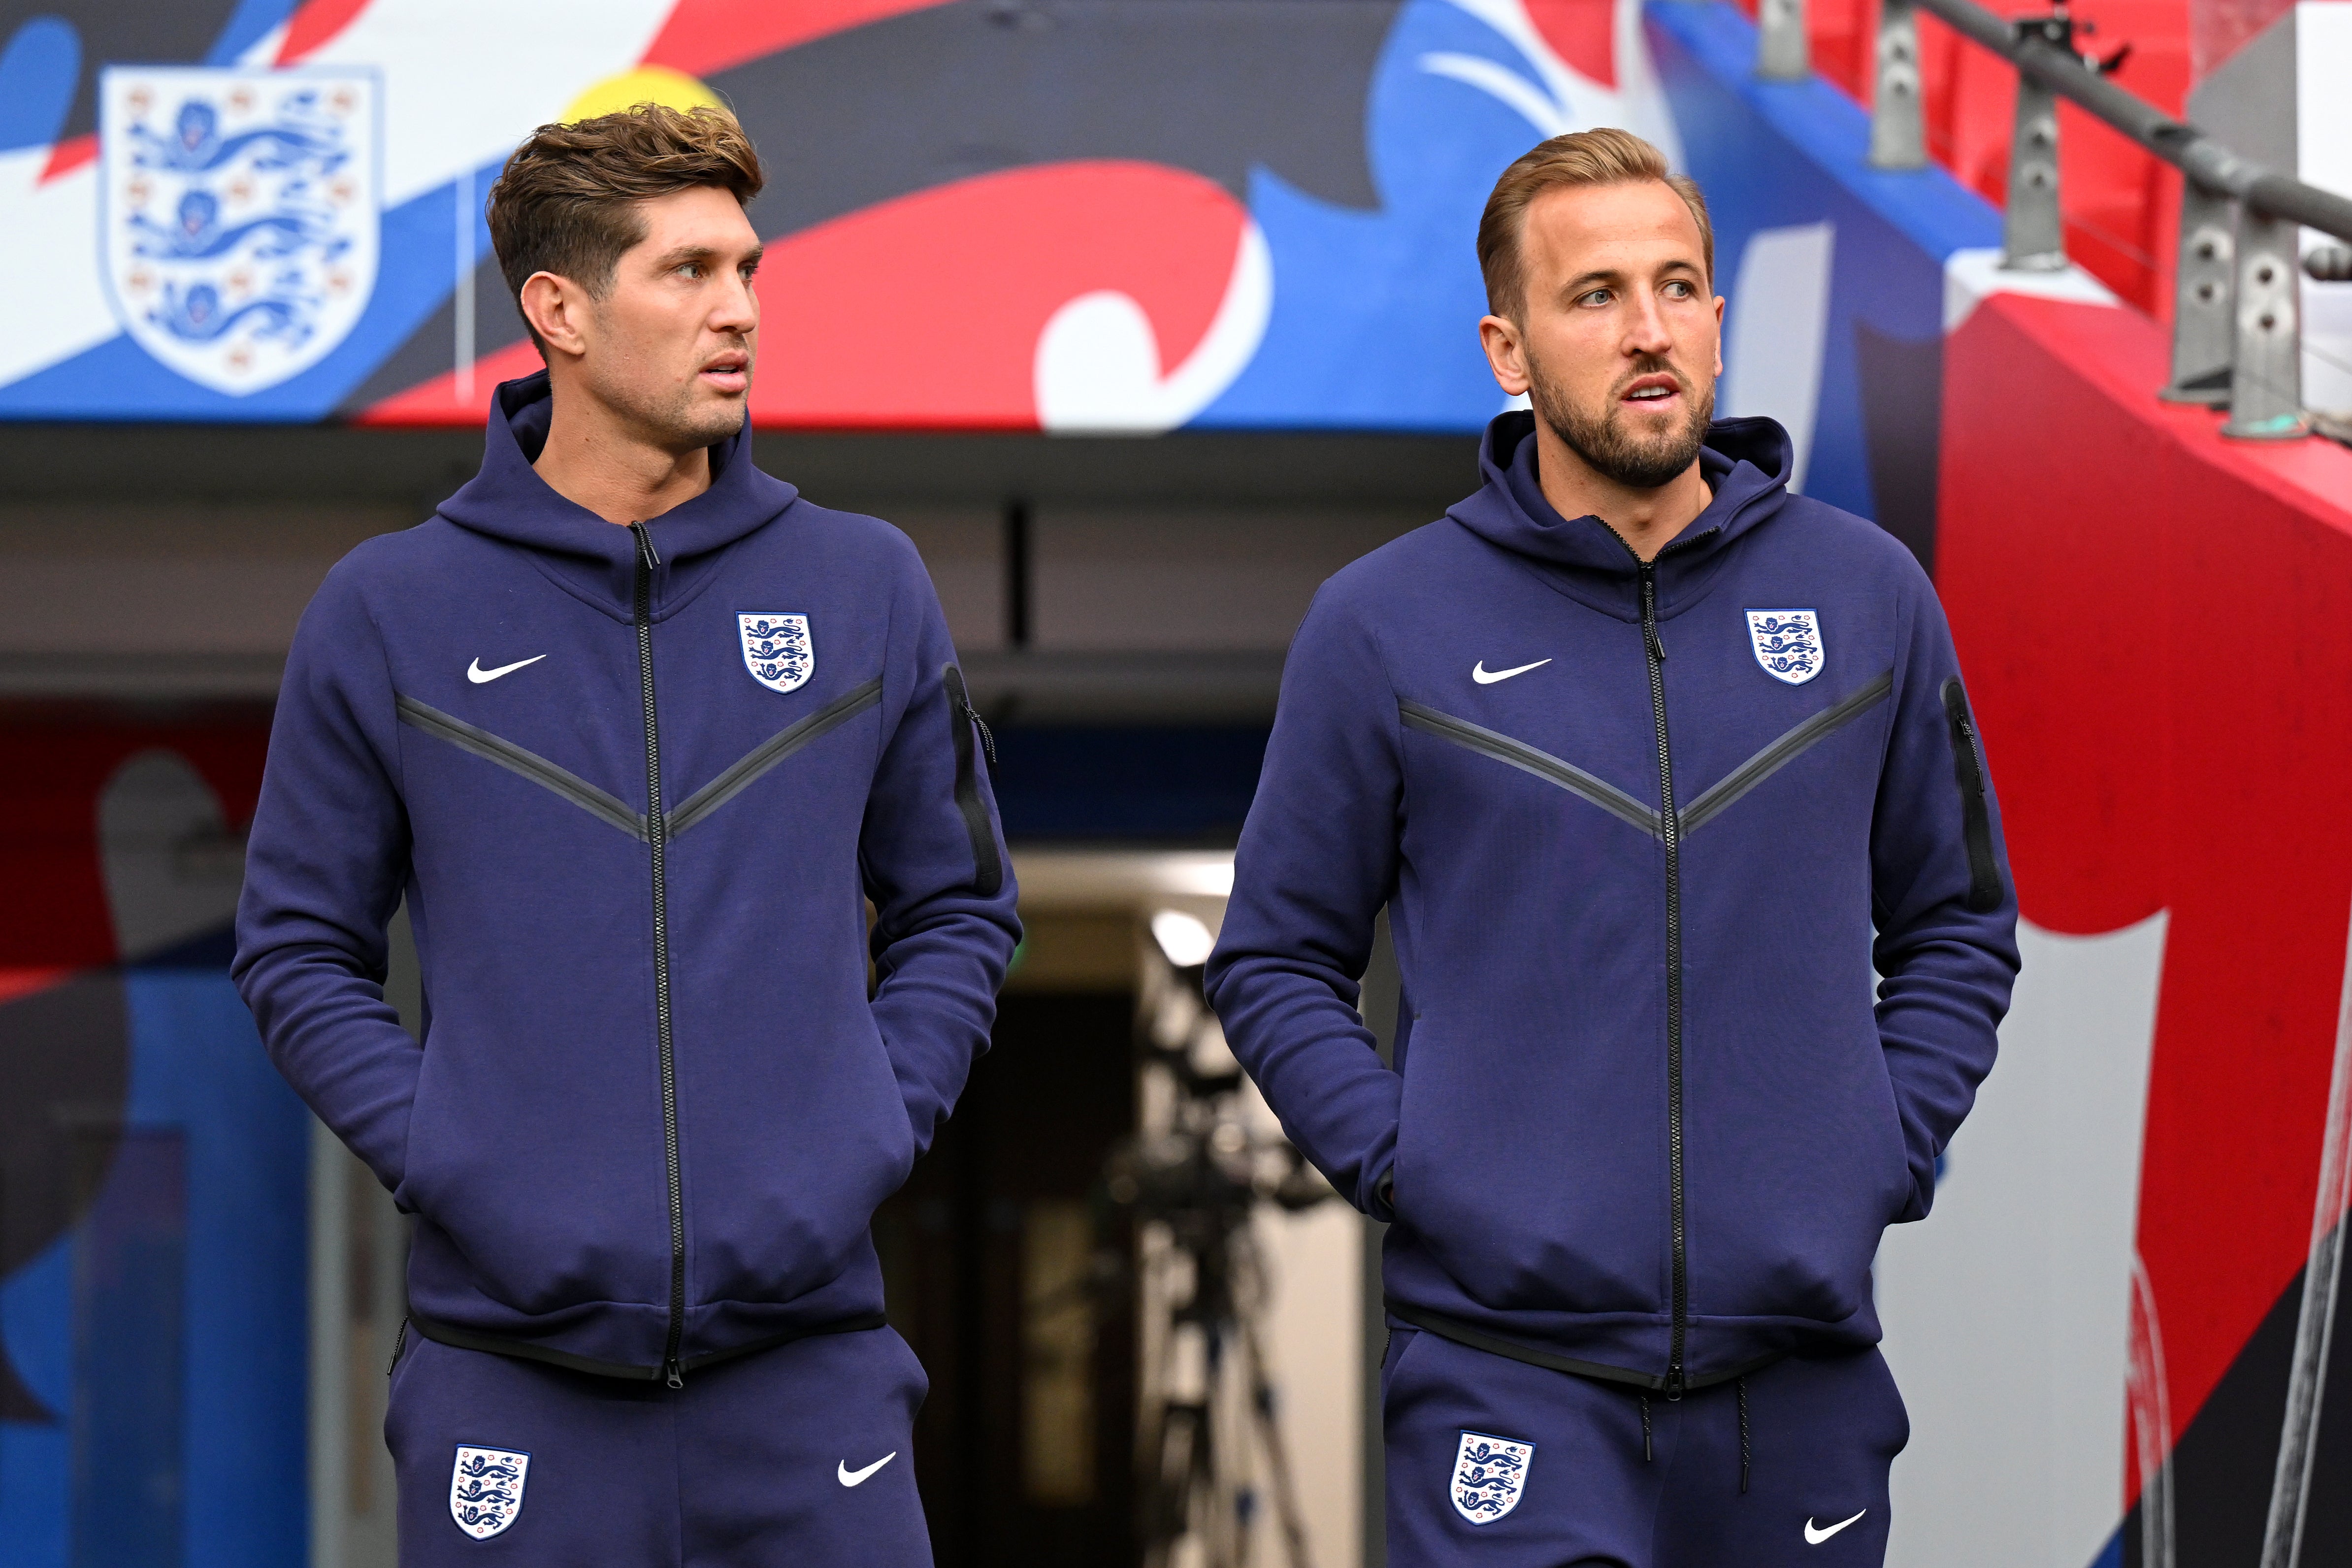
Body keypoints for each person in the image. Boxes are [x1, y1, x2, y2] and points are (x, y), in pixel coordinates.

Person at [1205, 128, 2018, 1566]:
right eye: (1595, 297)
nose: (1650, 332)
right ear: (1507, 351)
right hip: (1504, 1380)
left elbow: (1956, 924)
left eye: (1681, 287)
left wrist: (1873, 1152)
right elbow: (1275, 960)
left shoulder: (1868, 595)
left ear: (1717, 315)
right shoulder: (1383, 624)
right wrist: (1420, 1167)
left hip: (1801, 1384)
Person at [233, 104, 1018, 1566]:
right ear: (561, 312)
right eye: (689, 273)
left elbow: (961, 909)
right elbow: (295, 949)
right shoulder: (390, 608)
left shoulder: (867, 584)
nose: (741, 312)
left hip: (814, 1376)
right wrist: (456, 1153)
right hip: (507, 1389)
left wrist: (868, 1126)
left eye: (749, 269)